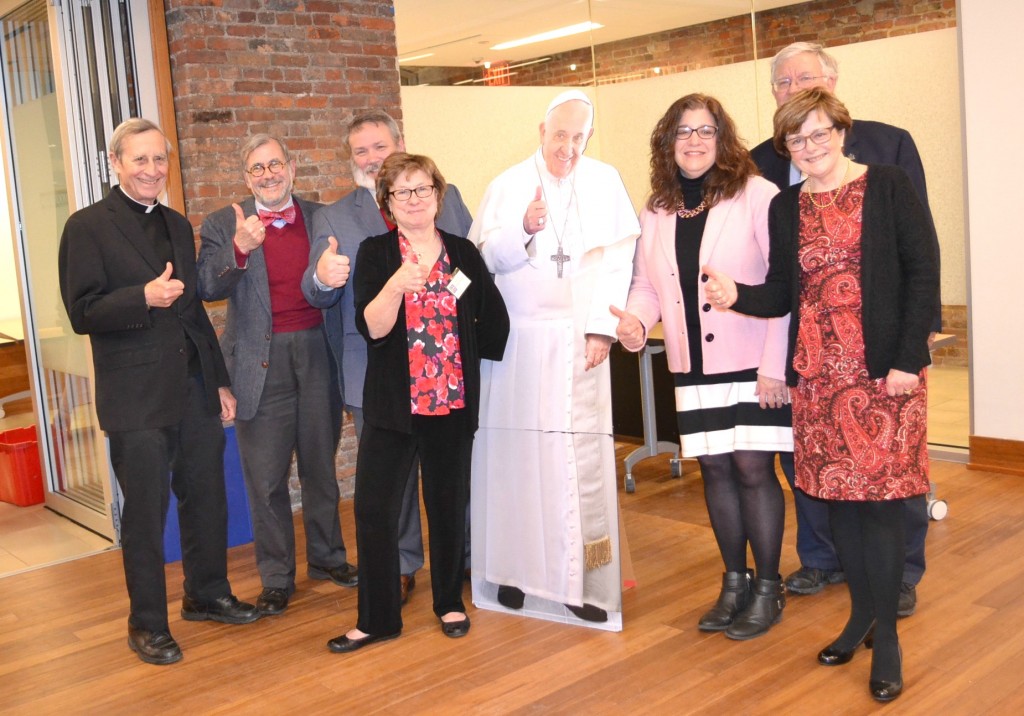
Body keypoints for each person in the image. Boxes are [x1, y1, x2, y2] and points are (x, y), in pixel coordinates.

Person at [704, 88, 939, 701]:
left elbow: (923, 270)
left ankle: (885, 639)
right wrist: (738, 295)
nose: (809, 148)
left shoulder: (886, 185)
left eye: (818, 133)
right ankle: (860, 615)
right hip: (819, 380)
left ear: (841, 129)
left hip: (885, 377)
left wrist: (909, 358)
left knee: (881, 511)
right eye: (796, 140)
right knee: (842, 509)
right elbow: (784, 290)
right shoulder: (787, 207)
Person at [58, 118, 259, 665]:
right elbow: (81, 312)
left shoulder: (175, 221)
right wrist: (141, 296)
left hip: (192, 384)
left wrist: (217, 379)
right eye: (140, 160)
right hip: (136, 396)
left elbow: (192, 308)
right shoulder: (86, 226)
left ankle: (207, 593)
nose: (152, 170)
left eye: (159, 160)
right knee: (146, 514)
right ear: (116, 163)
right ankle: (146, 624)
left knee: (207, 496)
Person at [750, 41, 936, 615]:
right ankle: (827, 563)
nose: (807, 144)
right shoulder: (764, 171)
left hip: (883, 357)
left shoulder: (888, 156)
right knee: (819, 472)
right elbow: (778, 277)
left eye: (806, 78)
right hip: (815, 364)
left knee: (890, 480)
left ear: (834, 90)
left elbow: (920, 261)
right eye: (783, 82)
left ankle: (899, 575)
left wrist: (914, 347)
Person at [612, 94, 792, 640]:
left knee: (753, 470)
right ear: (668, 143)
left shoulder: (758, 195)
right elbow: (647, 286)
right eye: (683, 131)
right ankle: (733, 582)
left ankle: (768, 586)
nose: (694, 141)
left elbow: (786, 285)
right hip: (693, 364)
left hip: (753, 359)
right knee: (714, 470)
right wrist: (637, 324)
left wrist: (775, 367)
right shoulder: (658, 207)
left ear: (723, 139)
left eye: (706, 131)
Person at [469, 90, 639, 626]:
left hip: (578, 344)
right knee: (517, 460)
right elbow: (483, 260)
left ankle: (578, 580)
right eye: (560, 134)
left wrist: (601, 331)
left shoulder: (605, 180)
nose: (568, 146)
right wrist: (523, 227)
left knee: (574, 464)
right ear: (540, 132)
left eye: (579, 137)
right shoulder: (508, 183)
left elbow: (618, 262)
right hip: (516, 345)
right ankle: (517, 574)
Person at [326, 153, 508, 653]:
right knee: (374, 509)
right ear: (387, 202)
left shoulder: (463, 254)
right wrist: (394, 287)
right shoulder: (377, 253)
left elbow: (492, 319)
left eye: (422, 188)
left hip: (450, 402)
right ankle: (377, 618)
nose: (414, 199)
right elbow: (372, 327)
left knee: (447, 506)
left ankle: (449, 601)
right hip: (392, 405)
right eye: (402, 192)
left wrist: (476, 362)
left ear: (437, 194)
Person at [301, 111, 474, 605]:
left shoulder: (447, 197)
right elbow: (314, 294)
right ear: (350, 160)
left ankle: (459, 555)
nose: (373, 158)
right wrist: (322, 276)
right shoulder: (332, 218)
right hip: (374, 371)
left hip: (446, 367)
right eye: (361, 151)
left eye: (380, 146)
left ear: (400, 142)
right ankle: (401, 565)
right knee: (391, 482)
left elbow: (472, 262)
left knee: (450, 471)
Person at [197, 134, 355, 618]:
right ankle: (277, 578)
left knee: (319, 468)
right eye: (256, 169)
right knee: (265, 480)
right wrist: (239, 251)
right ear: (246, 177)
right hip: (255, 364)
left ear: (291, 167)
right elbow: (205, 286)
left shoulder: (320, 216)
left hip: (316, 354)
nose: (267, 175)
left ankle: (328, 559)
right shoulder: (226, 222)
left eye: (274, 164)